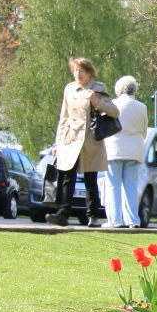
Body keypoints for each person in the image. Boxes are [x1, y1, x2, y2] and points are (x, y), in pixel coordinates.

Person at [49, 57, 119, 228]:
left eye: (81, 71)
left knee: (90, 178)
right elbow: (64, 117)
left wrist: (97, 102)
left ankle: (93, 215)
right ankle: (63, 213)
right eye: (75, 71)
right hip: (70, 139)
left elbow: (115, 112)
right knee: (67, 176)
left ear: (89, 73)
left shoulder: (98, 88)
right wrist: (58, 143)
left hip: (89, 140)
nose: (77, 74)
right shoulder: (69, 89)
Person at [102, 75, 146, 228]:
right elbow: (143, 131)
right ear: (134, 90)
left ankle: (114, 220)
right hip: (134, 149)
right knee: (131, 185)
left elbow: (105, 128)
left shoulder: (112, 105)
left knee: (113, 184)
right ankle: (133, 220)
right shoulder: (142, 107)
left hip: (114, 148)